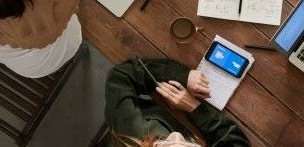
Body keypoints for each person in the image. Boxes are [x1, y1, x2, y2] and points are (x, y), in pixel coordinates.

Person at [105, 58, 250, 146]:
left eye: (162, 145)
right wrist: (195, 108)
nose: (176, 135)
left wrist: (181, 76)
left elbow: (120, 77)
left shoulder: (131, 133)